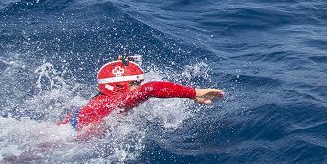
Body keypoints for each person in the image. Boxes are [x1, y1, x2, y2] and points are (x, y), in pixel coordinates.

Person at [64, 56, 224, 137]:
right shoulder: (112, 103)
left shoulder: (102, 101)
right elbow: (152, 88)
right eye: (136, 83)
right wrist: (194, 93)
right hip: (55, 145)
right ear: (120, 86)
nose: (139, 88)